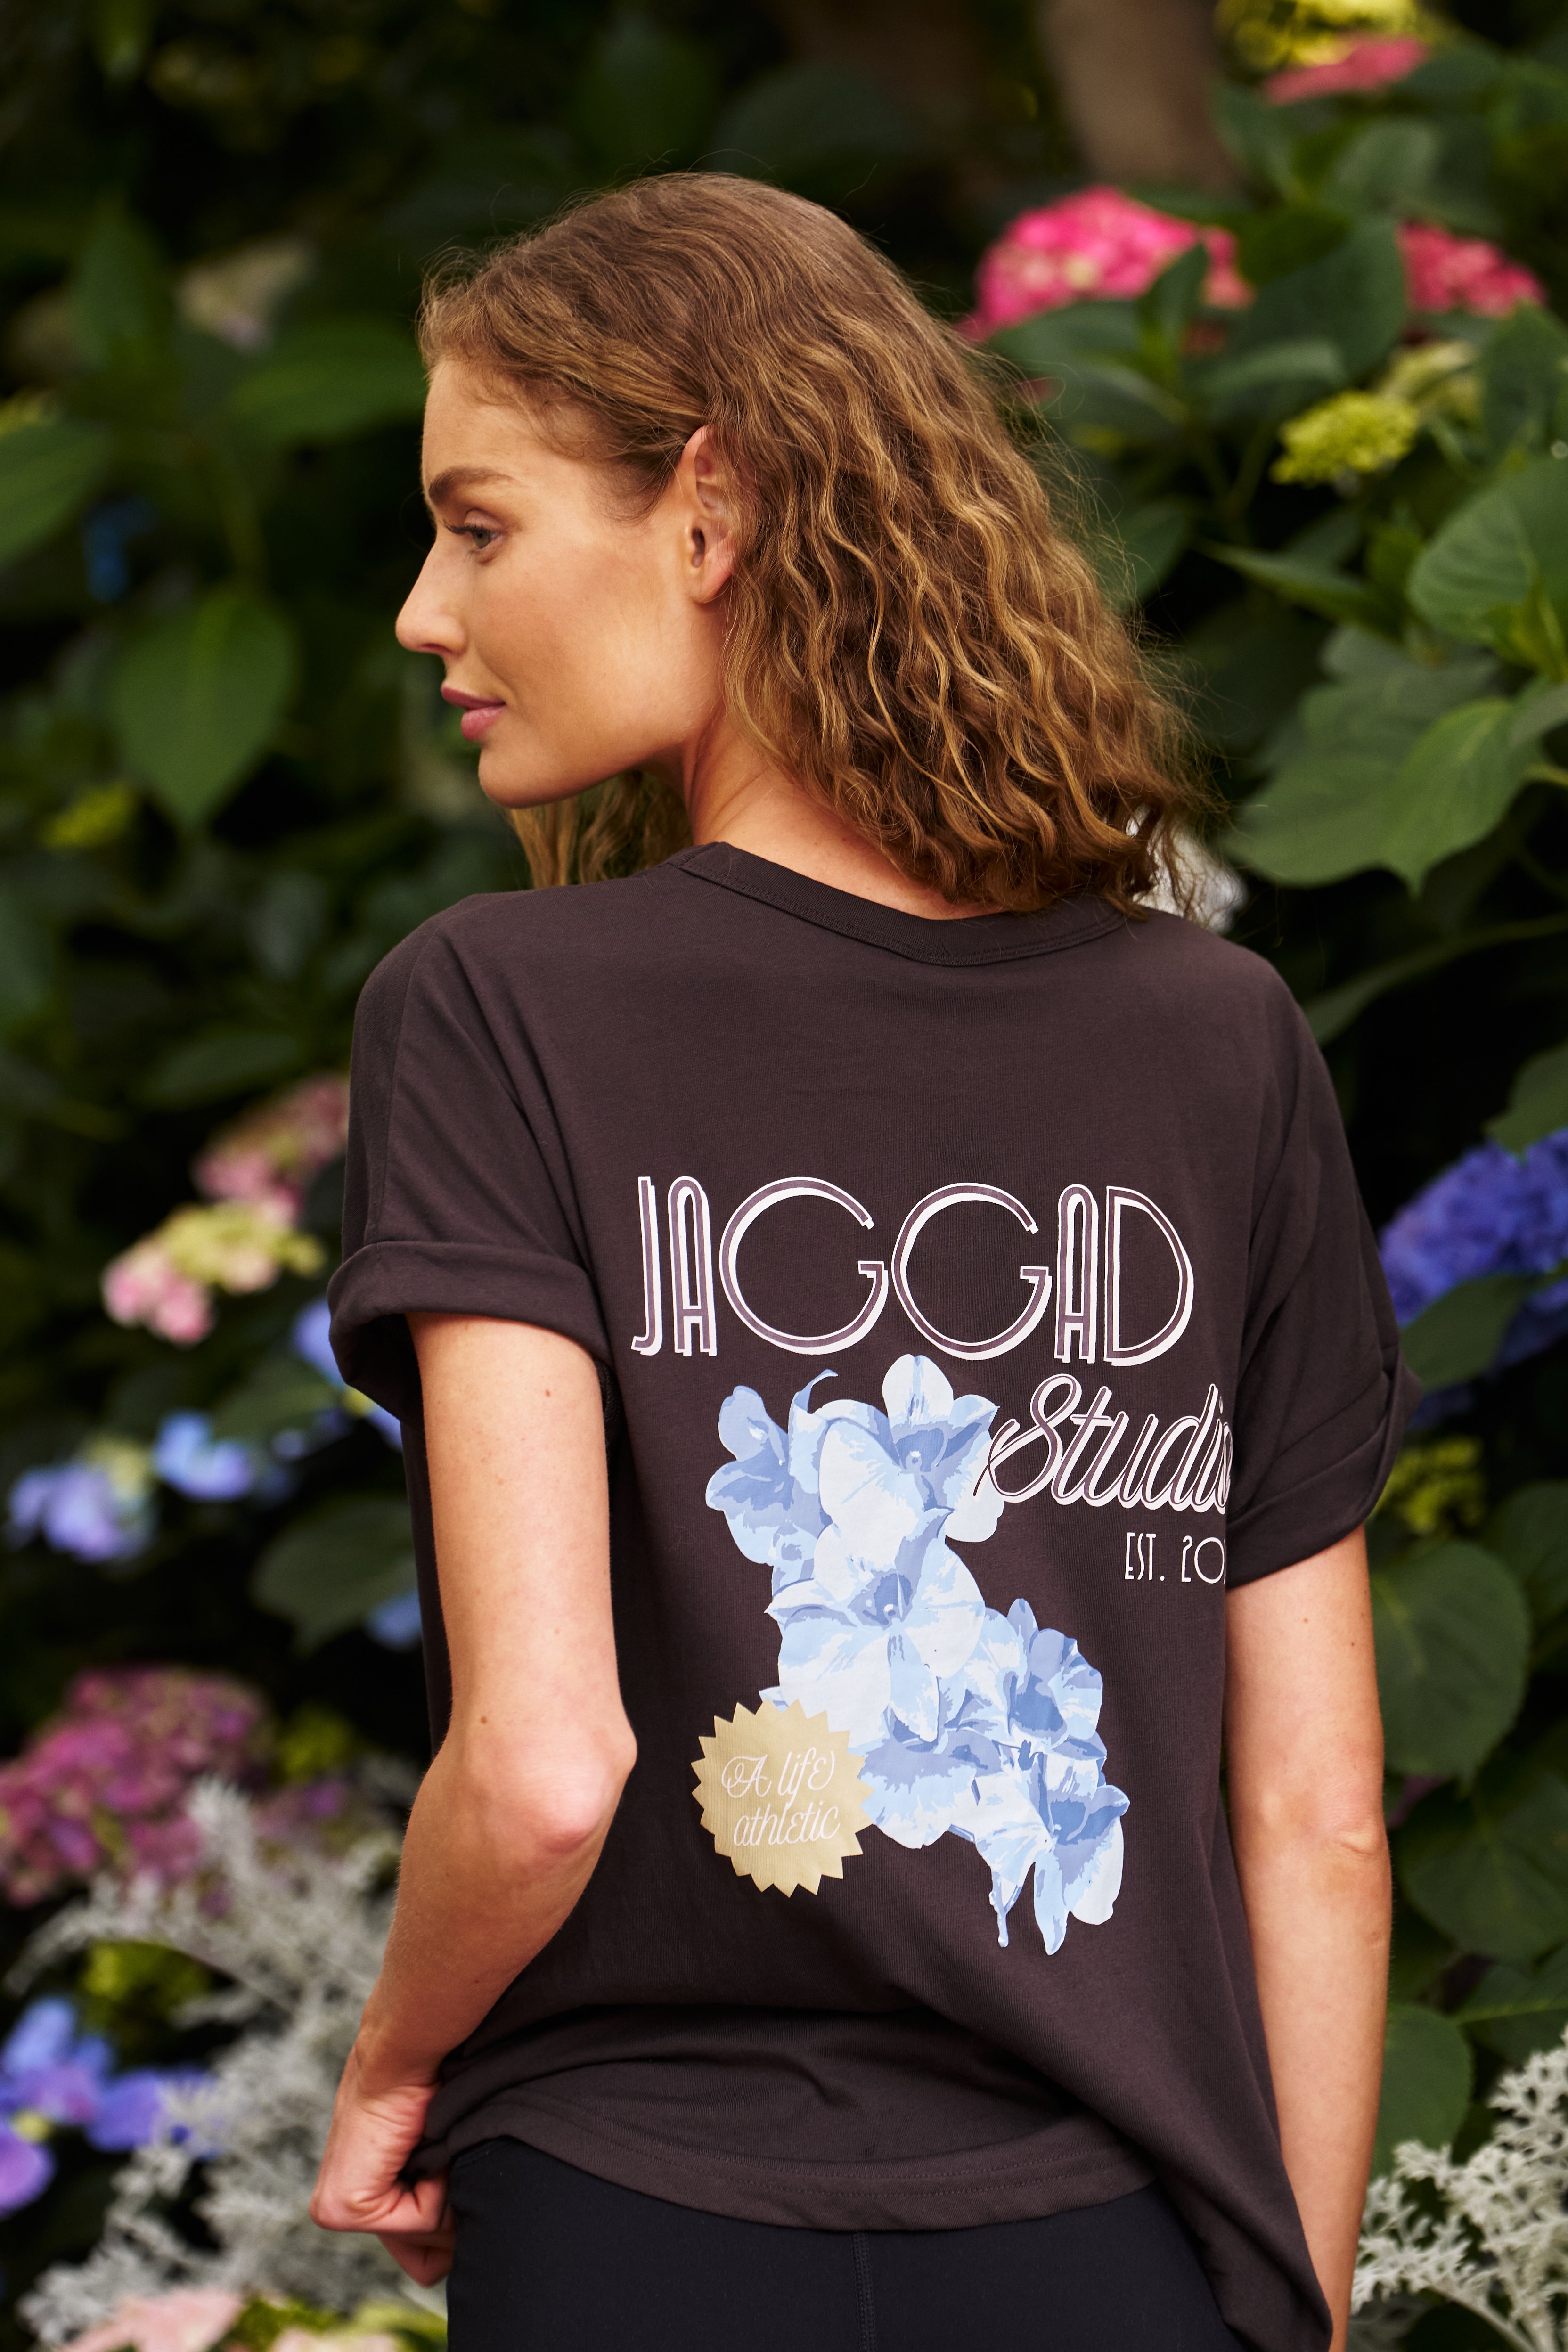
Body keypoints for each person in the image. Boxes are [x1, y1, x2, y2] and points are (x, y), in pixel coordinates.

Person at [311, 173, 1412, 2352]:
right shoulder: (1220, 1043)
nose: (430, 613)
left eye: (480, 526)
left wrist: (388, 2070)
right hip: (1115, 2237)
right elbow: (1317, 1814)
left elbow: (542, 1769)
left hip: (633, 2216)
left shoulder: (496, 1007)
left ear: (708, 511)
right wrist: (1287, 2305)